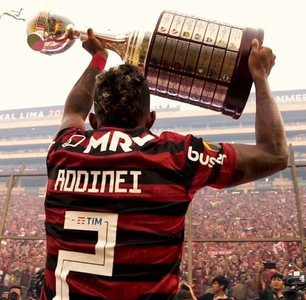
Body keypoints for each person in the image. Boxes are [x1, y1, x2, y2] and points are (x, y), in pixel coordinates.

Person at [42, 28, 288, 300]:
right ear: (150, 120)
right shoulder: (176, 155)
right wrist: (260, 77)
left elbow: (73, 110)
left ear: (93, 120)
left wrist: (98, 58)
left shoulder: (65, 149)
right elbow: (274, 154)